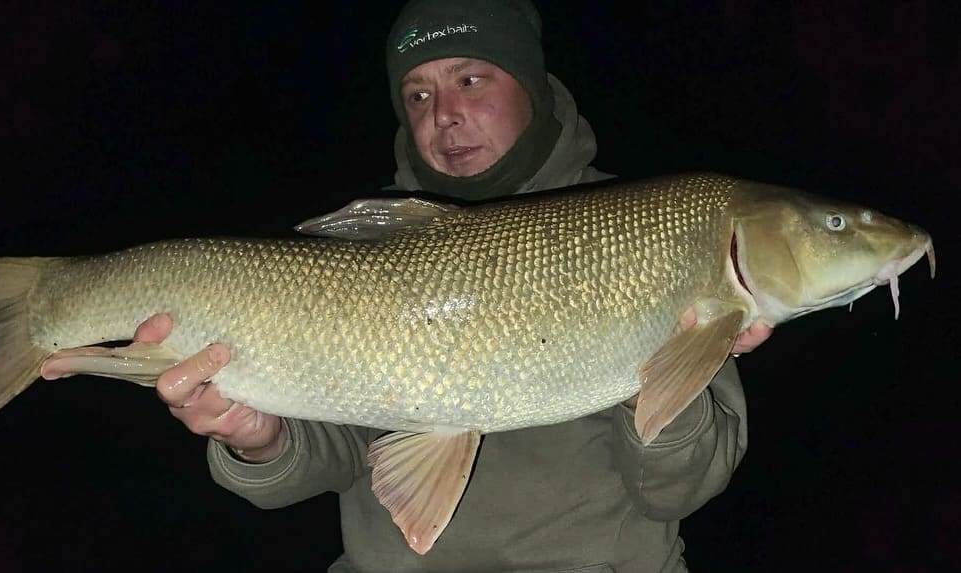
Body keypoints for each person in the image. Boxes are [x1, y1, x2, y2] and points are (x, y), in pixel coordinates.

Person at [81, 1, 773, 570]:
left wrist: (669, 374)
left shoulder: (652, 227)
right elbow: (333, 456)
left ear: (529, 89)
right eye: (418, 92)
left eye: (470, 80)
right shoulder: (368, 250)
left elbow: (678, 488)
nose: (442, 112)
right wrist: (258, 439)